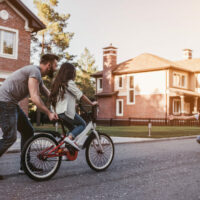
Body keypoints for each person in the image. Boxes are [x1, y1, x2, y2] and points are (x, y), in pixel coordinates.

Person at [0, 54, 59, 179]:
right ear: (49, 65)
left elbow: (47, 93)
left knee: (27, 130)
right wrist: (48, 113)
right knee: (10, 137)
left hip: (11, 103)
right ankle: (25, 165)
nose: (56, 68)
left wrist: (60, 103)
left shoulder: (37, 74)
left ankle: (25, 165)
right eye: (55, 65)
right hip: (4, 102)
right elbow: (35, 98)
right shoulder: (34, 71)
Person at [49, 62, 98, 150]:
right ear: (70, 73)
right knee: (82, 124)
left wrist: (73, 105)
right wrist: (91, 103)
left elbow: (62, 99)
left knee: (74, 129)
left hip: (58, 112)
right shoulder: (69, 82)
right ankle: (68, 139)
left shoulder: (57, 83)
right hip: (65, 112)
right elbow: (81, 95)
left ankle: (66, 148)